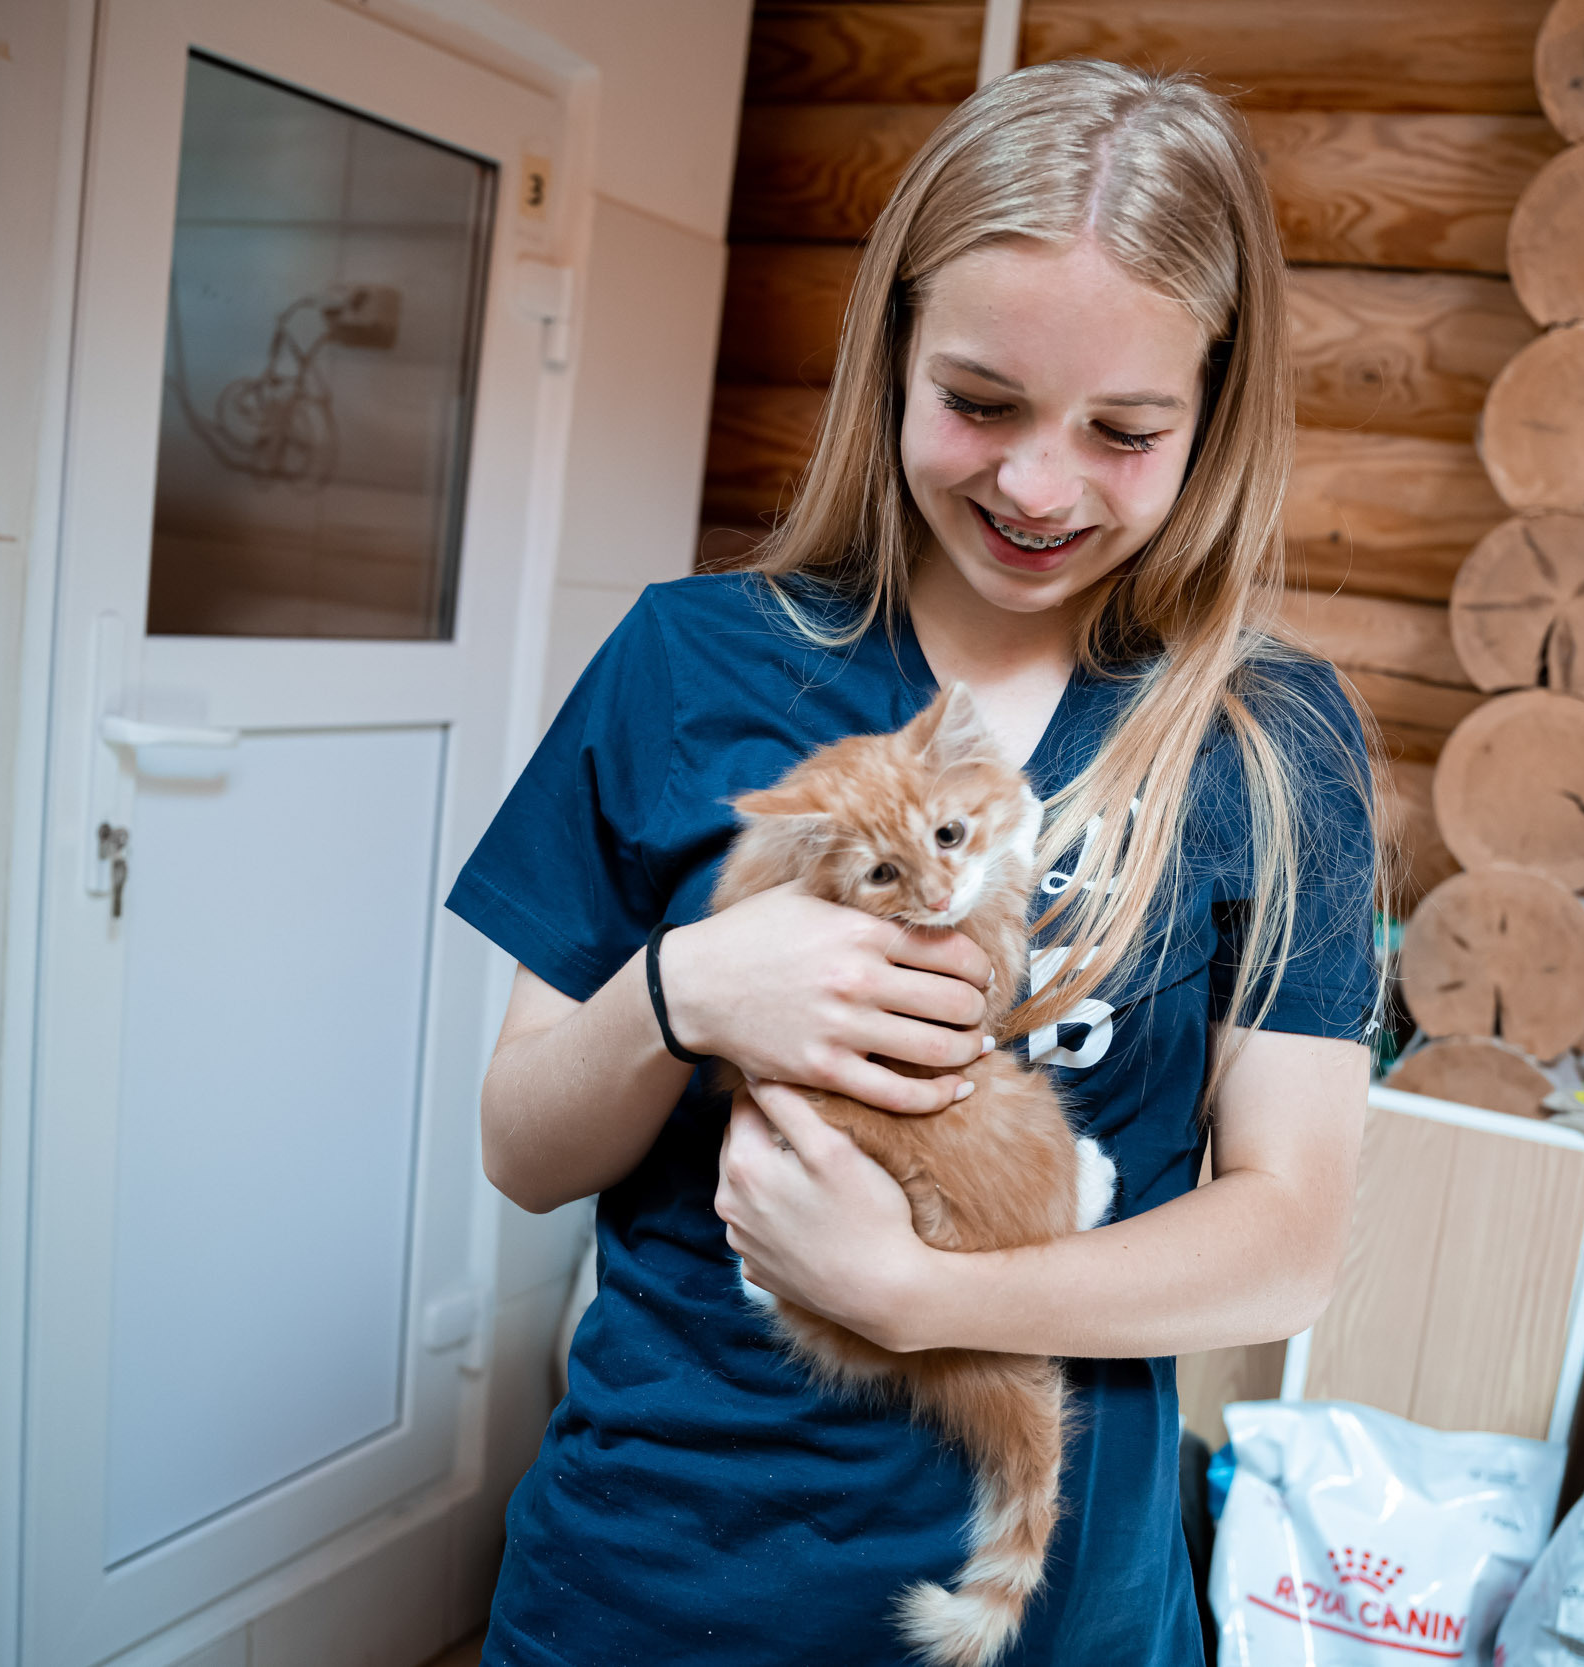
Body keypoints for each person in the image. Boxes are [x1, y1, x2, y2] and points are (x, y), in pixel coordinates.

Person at [447, 59, 1383, 1664]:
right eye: (981, 402)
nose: (1036, 486)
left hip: (1042, 1612)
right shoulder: (688, 661)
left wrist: (911, 1292)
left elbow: (1286, 1240)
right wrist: (684, 989)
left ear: (1213, 413)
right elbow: (524, 1148)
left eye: (1126, 431)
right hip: (650, 1593)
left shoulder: (1264, 744)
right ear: (888, 356)